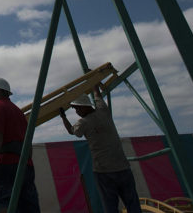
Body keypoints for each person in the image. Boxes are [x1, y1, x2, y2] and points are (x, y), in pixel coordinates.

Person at [59, 84, 140, 213]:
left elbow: (71, 131)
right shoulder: (103, 111)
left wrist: (63, 117)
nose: (77, 112)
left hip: (104, 171)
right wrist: (94, 83)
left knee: (110, 205)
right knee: (133, 203)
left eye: (77, 109)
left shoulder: (83, 123)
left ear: (83, 107)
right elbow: (97, 95)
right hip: (123, 167)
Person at [0, 78, 40, 213]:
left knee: (4, 202)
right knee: (28, 204)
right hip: (25, 164)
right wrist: (27, 161)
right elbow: (28, 141)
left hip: (7, 163)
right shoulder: (18, 111)